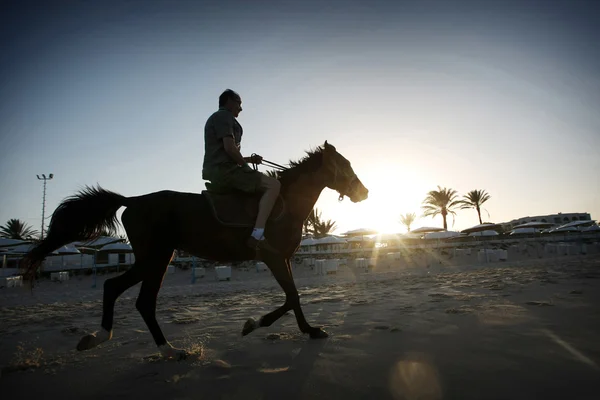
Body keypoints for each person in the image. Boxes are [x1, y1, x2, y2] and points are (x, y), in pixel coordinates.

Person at [202, 89, 281, 255]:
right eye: (239, 103)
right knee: (274, 185)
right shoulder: (224, 117)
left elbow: (227, 152)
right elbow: (230, 149)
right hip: (225, 171)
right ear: (229, 101)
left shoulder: (221, 118)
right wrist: (244, 167)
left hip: (221, 169)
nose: (241, 108)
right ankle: (258, 235)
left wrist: (250, 160)